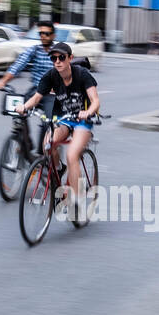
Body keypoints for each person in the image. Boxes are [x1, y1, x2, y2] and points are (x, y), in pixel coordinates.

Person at [18, 42, 101, 219]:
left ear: (70, 58)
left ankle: (77, 199)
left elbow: (95, 100)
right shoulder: (51, 76)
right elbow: (37, 97)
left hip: (83, 121)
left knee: (72, 155)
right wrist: (24, 106)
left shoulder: (82, 74)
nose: (57, 61)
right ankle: (58, 168)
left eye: (61, 57)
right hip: (63, 119)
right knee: (47, 144)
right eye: (54, 58)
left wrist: (87, 112)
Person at [0, 20, 59, 147]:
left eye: (46, 33)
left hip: (52, 94)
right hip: (36, 91)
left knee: (48, 121)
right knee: (18, 111)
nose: (43, 36)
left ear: (53, 36)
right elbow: (18, 65)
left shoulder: (59, 53)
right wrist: (3, 81)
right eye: (41, 33)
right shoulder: (34, 50)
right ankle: (25, 141)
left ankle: (42, 154)